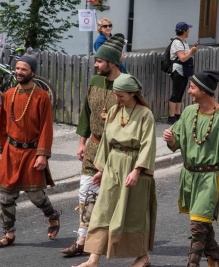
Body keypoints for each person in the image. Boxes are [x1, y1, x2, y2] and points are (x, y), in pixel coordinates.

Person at [163, 71, 219, 267]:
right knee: (201, 222)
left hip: (210, 177)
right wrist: (170, 138)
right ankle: (214, 255)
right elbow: (176, 141)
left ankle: (192, 264)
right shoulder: (188, 112)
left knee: (197, 225)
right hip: (189, 175)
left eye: (192, 88)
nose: (190, 91)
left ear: (203, 90)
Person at [73, 73, 157, 267]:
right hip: (113, 164)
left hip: (134, 166)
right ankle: (93, 259)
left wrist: (137, 171)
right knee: (103, 210)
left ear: (133, 93)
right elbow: (105, 142)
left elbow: (148, 145)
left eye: (121, 96)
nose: (117, 99)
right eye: (116, 95)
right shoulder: (113, 111)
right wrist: (101, 169)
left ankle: (142, 256)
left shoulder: (145, 115)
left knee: (133, 214)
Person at [60, 33, 125, 256]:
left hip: (115, 151)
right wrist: (81, 142)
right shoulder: (95, 81)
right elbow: (86, 113)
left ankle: (112, 240)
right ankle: (82, 240)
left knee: (107, 197)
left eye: (99, 61)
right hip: (93, 146)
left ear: (112, 62)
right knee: (85, 193)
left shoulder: (126, 85)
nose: (95, 64)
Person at [0, 48, 60, 247]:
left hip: (32, 152)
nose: (18, 72)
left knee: (35, 195)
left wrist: (42, 155)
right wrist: (2, 149)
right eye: (17, 68)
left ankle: (52, 216)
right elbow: (2, 124)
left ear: (32, 72)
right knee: (5, 196)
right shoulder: (8, 94)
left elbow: (46, 128)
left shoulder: (42, 96)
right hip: (11, 151)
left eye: (23, 69)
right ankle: (9, 234)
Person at [167, 21, 198, 124]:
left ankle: (178, 114)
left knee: (180, 93)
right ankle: (171, 116)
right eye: (188, 30)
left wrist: (191, 50)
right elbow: (183, 58)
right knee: (176, 93)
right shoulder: (177, 42)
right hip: (178, 71)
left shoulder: (184, 42)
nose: (189, 31)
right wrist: (192, 52)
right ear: (184, 31)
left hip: (184, 71)